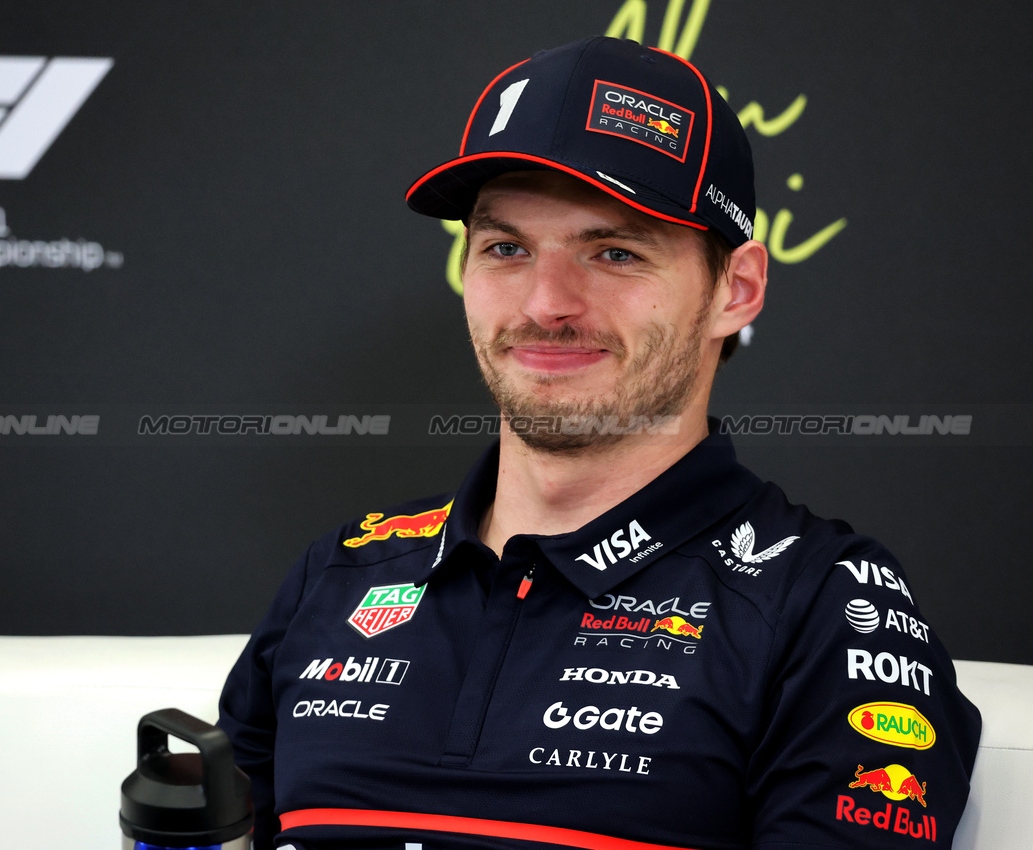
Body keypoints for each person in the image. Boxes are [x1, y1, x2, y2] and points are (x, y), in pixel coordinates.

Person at [218, 36, 981, 850]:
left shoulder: (821, 606)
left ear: (737, 289)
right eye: (505, 248)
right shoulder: (340, 574)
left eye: (614, 252)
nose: (546, 303)